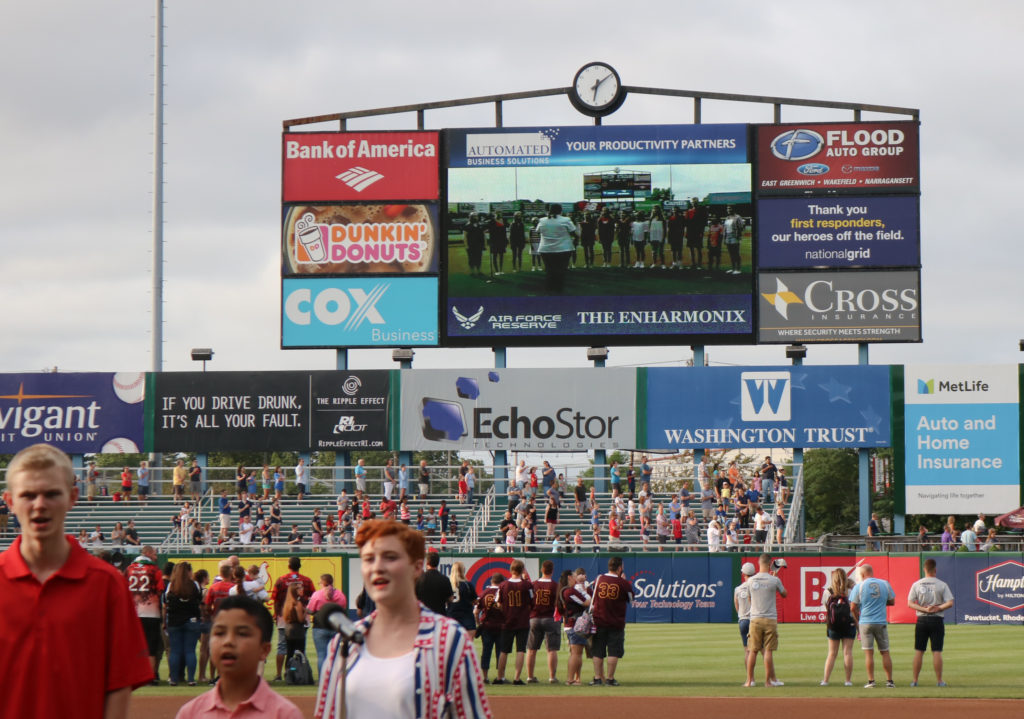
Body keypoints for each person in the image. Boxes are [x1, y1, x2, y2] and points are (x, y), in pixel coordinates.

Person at [0, 443, 152, 718]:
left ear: (72, 497)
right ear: (9, 501)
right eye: (28, 495)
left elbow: (119, 686)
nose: (39, 504)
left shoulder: (107, 583)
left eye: (51, 494)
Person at [315, 520, 491, 719]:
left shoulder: (449, 640)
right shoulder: (343, 643)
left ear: (417, 567)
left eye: (390, 557)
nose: (377, 567)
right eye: (368, 559)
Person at [175, 595, 303, 719]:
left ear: (264, 650)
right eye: (220, 633)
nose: (228, 641)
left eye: (242, 634)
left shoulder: (284, 714)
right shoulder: (190, 713)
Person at [907, 558, 954, 687]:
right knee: (937, 651)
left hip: (921, 619)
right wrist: (938, 608)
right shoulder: (942, 584)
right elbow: (950, 602)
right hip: (937, 619)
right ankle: (939, 681)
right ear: (935, 570)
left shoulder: (917, 584)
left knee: (919, 650)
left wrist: (924, 609)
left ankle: (915, 681)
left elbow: (910, 603)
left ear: (924, 569)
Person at [849, 563, 896, 688]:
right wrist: (879, 602)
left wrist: (858, 618)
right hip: (880, 621)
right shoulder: (884, 583)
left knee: (868, 653)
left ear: (862, 574)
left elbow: (853, 607)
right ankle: (890, 681)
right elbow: (892, 601)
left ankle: (871, 681)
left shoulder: (859, 586)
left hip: (865, 622)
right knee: (885, 652)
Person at [744, 554, 787, 688]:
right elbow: (785, 594)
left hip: (755, 619)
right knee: (768, 651)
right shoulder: (774, 580)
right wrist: (776, 579)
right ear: (769, 564)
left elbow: (749, 599)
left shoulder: (751, 581)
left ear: (758, 563)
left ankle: (749, 681)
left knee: (753, 650)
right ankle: (768, 682)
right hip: (770, 619)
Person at [589, 555, 634, 686]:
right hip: (616, 621)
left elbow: (593, 595)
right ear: (620, 568)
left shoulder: (599, 579)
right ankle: (610, 678)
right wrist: (624, 581)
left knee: (598, 651)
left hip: (599, 620)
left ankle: (597, 678)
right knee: (613, 651)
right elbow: (631, 599)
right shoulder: (623, 583)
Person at [126, 544, 166, 684]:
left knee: (133, 646)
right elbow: (160, 590)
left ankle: (133, 675)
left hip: (133, 613)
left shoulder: (129, 569)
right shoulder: (155, 570)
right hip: (151, 613)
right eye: (154, 554)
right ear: (148, 554)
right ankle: (150, 677)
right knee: (151, 647)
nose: (156, 557)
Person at [271, 556, 316, 682]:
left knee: (282, 647)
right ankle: (301, 673)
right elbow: (313, 597)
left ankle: (280, 675)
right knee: (301, 648)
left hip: (284, 617)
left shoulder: (281, 580)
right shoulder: (306, 580)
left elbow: (275, 599)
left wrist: (277, 615)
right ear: (300, 566)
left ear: (289, 566)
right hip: (301, 618)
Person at [165, 561, 203, 686]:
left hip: (174, 621)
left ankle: (174, 679)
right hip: (191, 620)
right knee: (190, 651)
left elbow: (166, 603)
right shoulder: (194, 585)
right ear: (188, 572)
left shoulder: (172, 585)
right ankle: (191, 679)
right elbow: (198, 602)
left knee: (175, 651)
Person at [525, 559, 560, 684]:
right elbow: (558, 604)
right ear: (552, 571)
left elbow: (528, 602)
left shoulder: (533, 584)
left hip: (534, 618)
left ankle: (530, 676)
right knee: (551, 649)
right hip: (550, 618)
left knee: (531, 649)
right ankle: (552, 677)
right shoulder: (555, 586)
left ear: (542, 570)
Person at [820, 568, 856, 687]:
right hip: (849, 624)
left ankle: (825, 680)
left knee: (832, 653)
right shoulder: (850, 590)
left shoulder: (828, 591)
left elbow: (827, 608)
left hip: (833, 625)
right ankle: (848, 681)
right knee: (847, 652)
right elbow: (855, 607)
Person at [308, 574, 347, 679]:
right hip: (335, 627)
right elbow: (343, 609)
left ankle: (323, 680)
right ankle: (334, 679)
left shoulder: (317, 595)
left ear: (323, 583)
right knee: (334, 655)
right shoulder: (340, 594)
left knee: (322, 655)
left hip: (319, 627)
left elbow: (310, 610)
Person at [558, 567, 591, 686]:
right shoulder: (569, 591)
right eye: (574, 576)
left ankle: (576, 679)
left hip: (571, 624)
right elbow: (587, 602)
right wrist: (582, 586)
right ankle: (570, 679)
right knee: (576, 654)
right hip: (575, 625)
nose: (576, 578)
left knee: (576, 653)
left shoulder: (565, 590)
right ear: (569, 578)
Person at [534, 203, 577, 292]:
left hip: (546, 249)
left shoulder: (542, 220)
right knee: (561, 271)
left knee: (549, 271)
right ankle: (558, 290)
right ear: (560, 211)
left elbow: (538, 231)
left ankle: (549, 290)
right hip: (563, 249)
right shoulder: (566, 219)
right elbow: (574, 232)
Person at [476, 574, 504, 684]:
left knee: (486, 651)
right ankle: (500, 677)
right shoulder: (503, 592)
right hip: (501, 626)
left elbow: (476, 612)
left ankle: (485, 677)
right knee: (500, 652)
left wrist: (479, 623)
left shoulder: (484, 593)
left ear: (491, 581)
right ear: (501, 582)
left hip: (487, 626)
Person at [446, 560, 478, 640]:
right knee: (467, 646)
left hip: (451, 617)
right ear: (462, 570)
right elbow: (475, 601)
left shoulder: (448, 584)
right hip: (467, 617)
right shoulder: (467, 584)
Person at [415, 550, 453, 615]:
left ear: (427, 563)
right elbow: (450, 599)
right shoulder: (444, 579)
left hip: (423, 616)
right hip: (440, 616)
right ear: (438, 563)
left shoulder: (419, 579)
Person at [734, 562, 756, 663]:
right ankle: (769, 677)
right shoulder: (756, 588)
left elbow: (737, 606)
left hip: (742, 621)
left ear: (743, 574)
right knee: (762, 650)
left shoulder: (737, 589)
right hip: (753, 620)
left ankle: (749, 678)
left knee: (747, 651)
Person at [281, 582, 308, 661]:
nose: (302, 589)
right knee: (300, 653)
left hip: (288, 629)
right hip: (297, 630)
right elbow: (300, 619)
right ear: (294, 591)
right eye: (299, 588)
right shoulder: (297, 603)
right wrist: (305, 611)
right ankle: (299, 672)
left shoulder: (287, 603)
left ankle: (288, 671)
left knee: (289, 653)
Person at [723, 205, 745, 274]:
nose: (728, 210)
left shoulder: (737, 217)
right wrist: (724, 238)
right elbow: (725, 228)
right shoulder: (727, 218)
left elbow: (741, 227)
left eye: (729, 208)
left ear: (733, 209)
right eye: (727, 208)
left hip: (734, 236)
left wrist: (738, 235)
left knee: (736, 253)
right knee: (731, 253)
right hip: (728, 236)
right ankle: (733, 268)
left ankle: (738, 269)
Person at [464, 212, 486, 276]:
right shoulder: (467, 226)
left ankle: (479, 271)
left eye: (476, 216)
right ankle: (472, 272)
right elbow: (465, 236)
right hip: (471, 245)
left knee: (479, 258)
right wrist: (466, 245)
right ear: (470, 217)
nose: (475, 217)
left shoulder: (480, 225)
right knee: (471, 259)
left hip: (479, 245)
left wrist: (485, 244)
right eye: (473, 216)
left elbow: (484, 235)